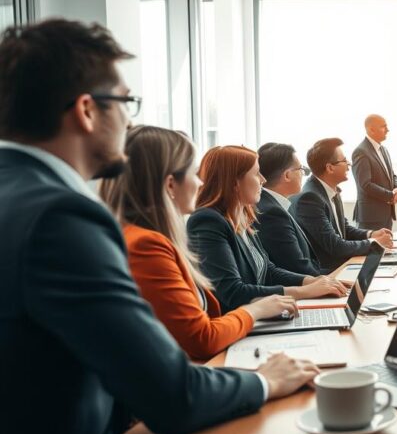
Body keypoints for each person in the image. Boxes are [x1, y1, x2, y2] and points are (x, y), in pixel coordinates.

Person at [0, 19, 316, 434]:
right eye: (126, 103)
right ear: (86, 110)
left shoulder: (17, 196)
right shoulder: (62, 217)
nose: (129, 123)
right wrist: (264, 382)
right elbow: (172, 396)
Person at [100, 127, 299, 360]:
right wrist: (255, 310)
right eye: (195, 173)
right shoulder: (147, 245)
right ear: (171, 185)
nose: (200, 182)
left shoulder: (152, 238)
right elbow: (201, 339)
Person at [188, 145, 348, 310]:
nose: (263, 180)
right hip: (240, 325)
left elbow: (268, 270)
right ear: (235, 182)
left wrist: (310, 281)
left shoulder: (242, 217)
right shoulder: (208, 222)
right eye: (257, 173)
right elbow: (233, 292)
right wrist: (304, 291)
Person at [293, 137, 393, 269]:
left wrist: (370, 234)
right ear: (330, 168)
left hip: (342, 263)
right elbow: (335, 246)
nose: (349, 164)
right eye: (344, 160)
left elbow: (343, 229)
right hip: (329, 271)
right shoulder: (310, 198)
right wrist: (375, 243)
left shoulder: (331, 189)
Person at [255, 142, 328, 276]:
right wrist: (332, 279)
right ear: (287, 175)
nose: (303, 174)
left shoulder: (275, 204)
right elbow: (297, 267)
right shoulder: (271, 212)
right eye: (300, 169)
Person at [352, 114, 397, 230]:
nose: (387, 130)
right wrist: (391, 195)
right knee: (372, 248)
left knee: (386, 248)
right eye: (383, 127)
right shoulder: (361, 151)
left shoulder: (384, 150)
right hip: (370, 217)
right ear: (371, 129)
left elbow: (392, 175)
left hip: (386, 215)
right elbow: (365, 184)